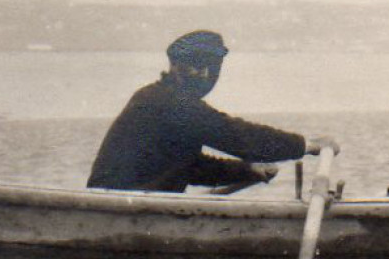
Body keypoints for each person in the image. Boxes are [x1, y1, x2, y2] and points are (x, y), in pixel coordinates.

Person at [88, 30, 337, 192]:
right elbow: (235, 135)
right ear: (175, 65)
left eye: (213, 67)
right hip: (117, 210)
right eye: (196, 65)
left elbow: (188, 166)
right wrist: (307, 145)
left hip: (139, 209)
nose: (205, 75)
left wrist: (247, 170)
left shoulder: (168, 99)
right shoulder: (166, 101)